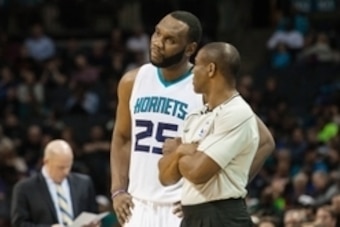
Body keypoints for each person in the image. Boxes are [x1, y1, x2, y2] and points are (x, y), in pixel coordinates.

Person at [110, 11, 274, 227]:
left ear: (190, 49)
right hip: (137, 205)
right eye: (157, 33)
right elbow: (122, 138)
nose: (158, 43)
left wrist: (224, 191)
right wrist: (118, 190)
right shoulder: (132, 81)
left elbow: (264, 141)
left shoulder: (205, 86)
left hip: (181, 208)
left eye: (170, 40)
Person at [158, 42, 268, 227]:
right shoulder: (195, 116)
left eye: (197, 64)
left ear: (211, 69)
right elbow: (165, 177)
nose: (192, 71)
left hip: (222, 216)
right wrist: (182, 151)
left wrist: (178, 152)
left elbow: (197, 172)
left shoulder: (237, 112)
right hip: (192, 215)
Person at [11, 139, 98, 227]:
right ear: (46, 162)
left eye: (69, 166)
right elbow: (19, 224)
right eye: (61, 167)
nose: (66, 172)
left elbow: (93, 216)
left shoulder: (84, 183)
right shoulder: (25, 188)